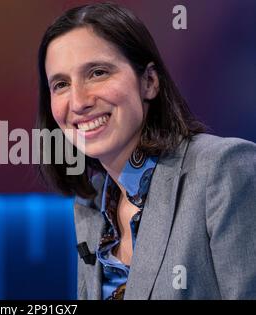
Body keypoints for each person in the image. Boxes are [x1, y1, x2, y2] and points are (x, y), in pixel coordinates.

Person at [36, 2, 256, 299]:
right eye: (61, 84)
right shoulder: (92, 202)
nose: (78, 102)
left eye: (98, 73)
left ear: (149, 82)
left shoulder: (223, 168)